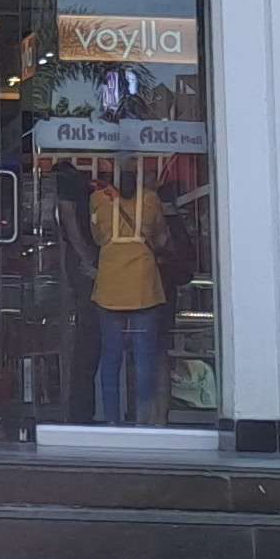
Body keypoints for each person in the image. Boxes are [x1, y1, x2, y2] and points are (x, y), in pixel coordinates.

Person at [87, 162, 173, 424]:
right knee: (144, 358)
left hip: (110, 286)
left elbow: (96, 237)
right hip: (143, 285)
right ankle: (142, 421)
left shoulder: (97, 199)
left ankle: (112, 420)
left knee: (110, 356)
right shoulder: (150, 200)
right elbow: (161, 238)